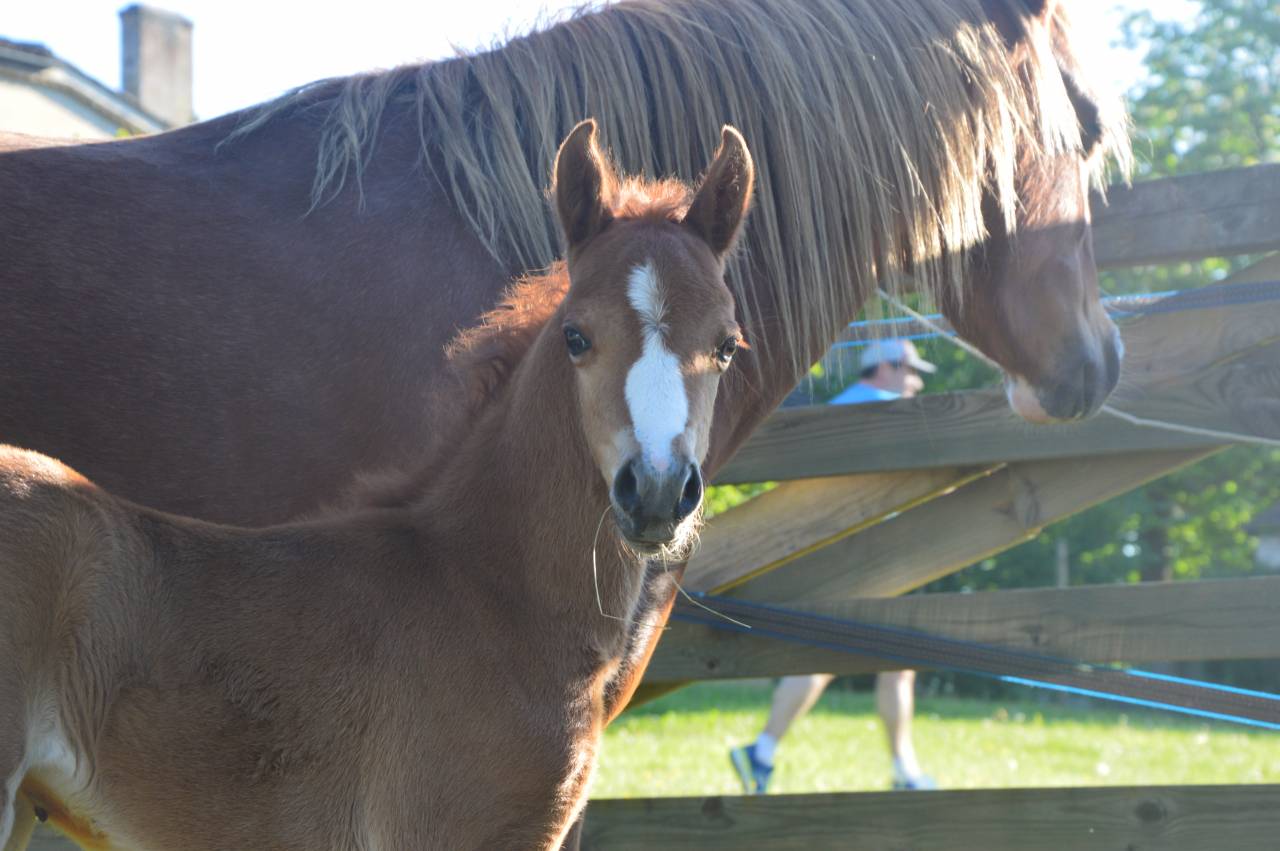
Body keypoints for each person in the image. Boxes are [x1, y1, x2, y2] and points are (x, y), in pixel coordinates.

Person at [730, 338, 939, 794]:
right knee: (881, 658)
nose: (916, 381)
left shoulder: (837, 407)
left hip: (837, 550)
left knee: (870, 661)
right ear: (885, 368)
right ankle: (899, 771)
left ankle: (764, 753)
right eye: (909, 371)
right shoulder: (891, 408)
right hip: (867, 552)